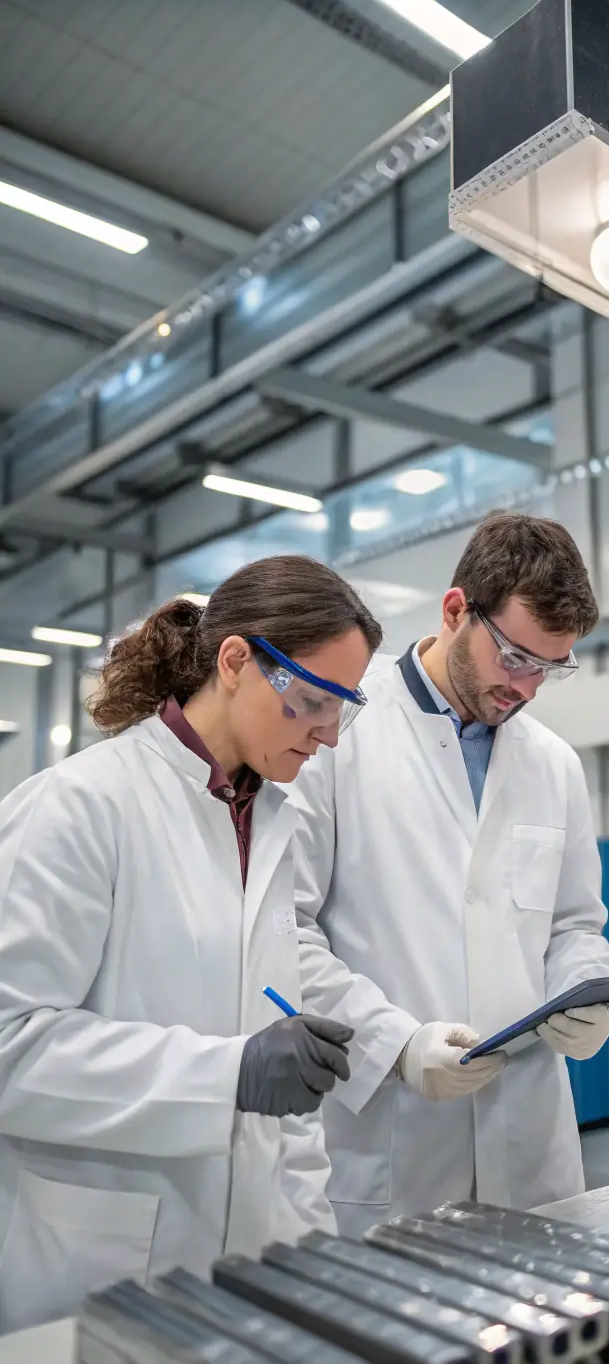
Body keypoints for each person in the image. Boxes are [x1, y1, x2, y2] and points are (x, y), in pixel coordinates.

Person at [0, 554, 381, 1334]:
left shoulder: (272, 823)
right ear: (235, 661)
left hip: (249, 1274)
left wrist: (315, 1261)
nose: (328, 735)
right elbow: (11, 1044)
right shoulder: (80, 806)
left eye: (343, 708)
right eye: (314, 700)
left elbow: (286, 1107)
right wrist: (227, 1072)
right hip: (98, 1265)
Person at [288, 512, 609, 1234]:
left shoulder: (554, 764)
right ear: (454, 610)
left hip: (529, 1139)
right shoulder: (338, 730)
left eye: (550, 667)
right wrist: (395, 1044)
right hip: (393, 1138)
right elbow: (287, 931)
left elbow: (574, 924)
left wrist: (583, 987)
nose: (527, 688)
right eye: (515, 656)